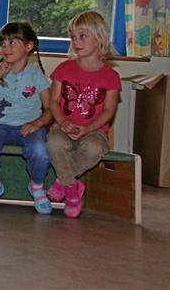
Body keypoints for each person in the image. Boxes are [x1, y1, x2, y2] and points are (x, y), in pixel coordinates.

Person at [0, 22, 53, 214]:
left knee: (40, 151)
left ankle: (37, 186)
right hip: (0, 126)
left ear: (28, 46)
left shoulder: (36, 74)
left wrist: (36, 124)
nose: (5, 48)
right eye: (2, 44)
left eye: (12, 42)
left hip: (30, 127)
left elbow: (50, 109)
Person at [46, 11, 120, 218]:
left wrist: (88, 128)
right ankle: (73, 188)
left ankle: (63, 182)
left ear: (100, 38)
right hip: (64, 125)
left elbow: (108, 111)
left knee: (95, 148)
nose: (76, 41)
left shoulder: (110, 76)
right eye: (73, 37)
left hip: (94, 129)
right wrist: (61, 121)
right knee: (54, 143)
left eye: (82, 36)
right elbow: (53, 101)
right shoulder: (64, 69)